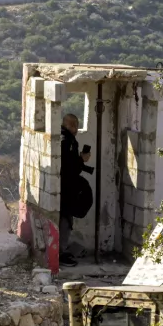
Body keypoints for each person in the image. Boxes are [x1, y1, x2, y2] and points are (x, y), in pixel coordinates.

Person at [59, 113, 93, 267]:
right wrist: (82, 160)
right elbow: (69, 167)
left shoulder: (61, 138)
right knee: (65, 219)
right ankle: (60, 253)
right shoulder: (68, 141)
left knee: (65, 218)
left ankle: (62, 250)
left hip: (62, 186)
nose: (77, 129)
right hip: (66, 187)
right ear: (72, 126)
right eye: (76, 126)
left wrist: (78, 160)